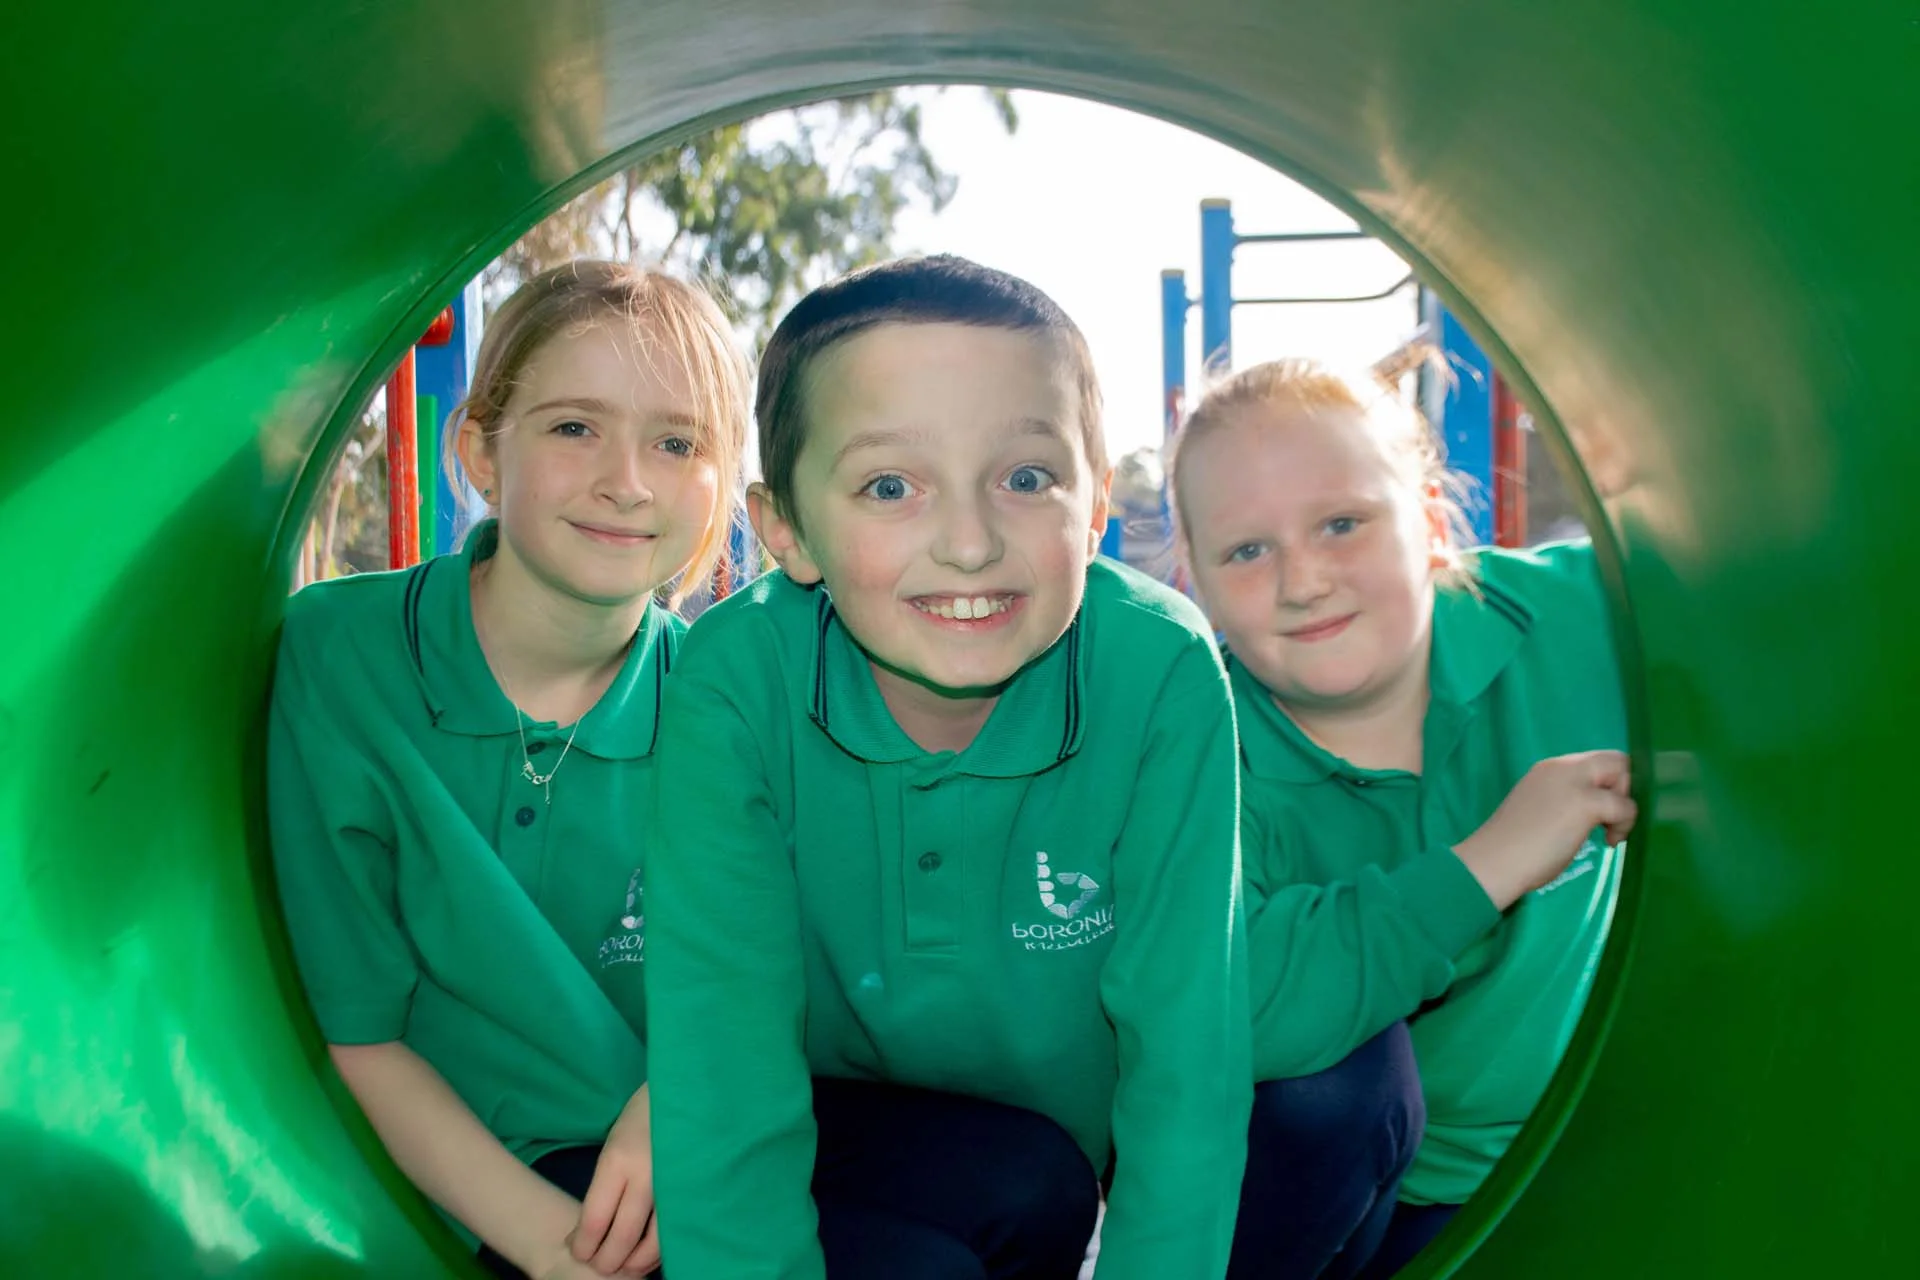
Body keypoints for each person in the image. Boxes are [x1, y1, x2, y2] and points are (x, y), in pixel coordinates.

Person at [645, 255, 1250, 1280]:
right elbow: (725, 1063)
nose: (969, 544)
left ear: (1096, 504)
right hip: (829, 1117)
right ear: (786, 529)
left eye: (1026, 478)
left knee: (1057, 1181)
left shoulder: (1160, 669)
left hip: (1045, 1148)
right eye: (891, 486)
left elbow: (1186, 1055)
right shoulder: (737, 679)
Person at [267, 260, 747, 1280]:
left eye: (677, 443)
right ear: (482, 451)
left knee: (1015, 1186)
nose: (628, 480)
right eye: (575, 427)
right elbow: (360, 1031)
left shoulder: (722, 699)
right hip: (450, 1164)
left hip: (655, 1132)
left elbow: (757, 976)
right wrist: (548, 1246)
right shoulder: (344, 657)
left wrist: (674, 1098)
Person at [1171, 359, 1636, 1278]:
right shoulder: (1204, 749)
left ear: (1428, 521)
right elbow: (1222, 1002)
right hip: (1378, 1211)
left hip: (1619, 1154)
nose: (1303, 581)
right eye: (1248, 551)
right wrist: (1486, 865)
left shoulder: (1580, 613)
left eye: (1342, 524)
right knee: (1319, 1094)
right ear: (1198, 584)